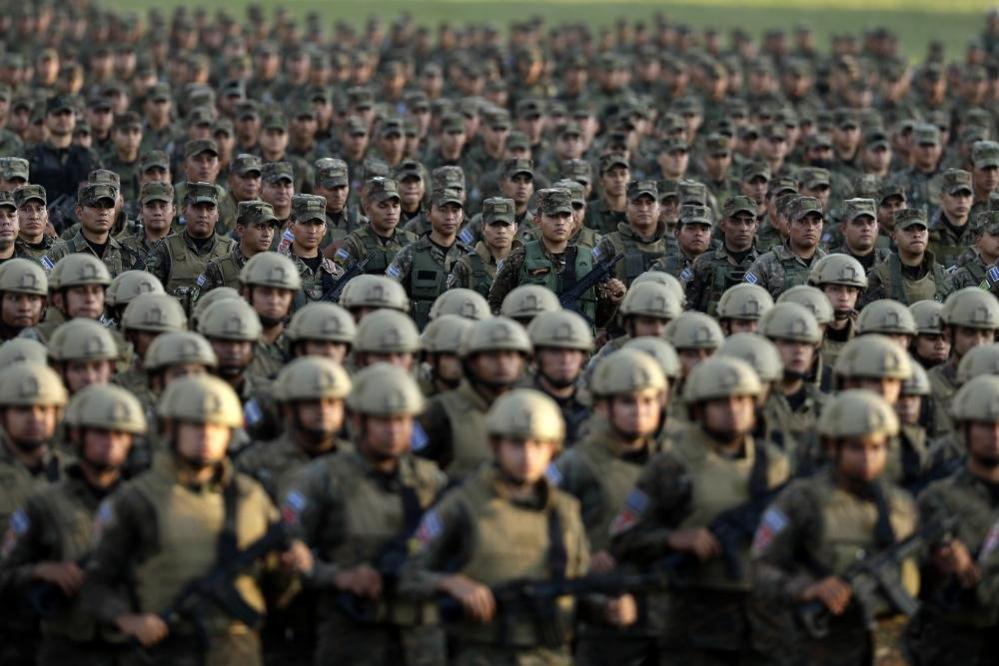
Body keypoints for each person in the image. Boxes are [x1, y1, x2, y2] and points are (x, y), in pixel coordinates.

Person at [81, 374, 308, 666]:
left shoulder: (251, 497)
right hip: (166, 649)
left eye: (216, 427)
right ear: (171, 428)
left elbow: (276, 594)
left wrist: (289, 570)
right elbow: (96, 584)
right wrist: (128, 620)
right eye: (194, 425)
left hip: (238, 653)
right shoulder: (136, 499)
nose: (206, 435)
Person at [401, 388, 635, 665]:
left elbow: (573, 589)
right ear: (495, 445)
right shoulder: (461, 505)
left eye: (538, 445)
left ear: (552, 449)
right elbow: (406, 572)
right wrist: (450, 583)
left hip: (550, 655)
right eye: (516, 444)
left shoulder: (564, 511)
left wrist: (607, 609)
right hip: (482, 654)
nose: (527, 456)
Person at [611, 356, 789, 664]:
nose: (734, 410)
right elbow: (624, 538)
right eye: (721, 402)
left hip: (763, 620)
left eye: (742, 401)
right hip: (692, 619)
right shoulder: (671, 465)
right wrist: (672, 540)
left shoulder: (775, 464)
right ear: (699, 409)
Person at [284, 363, 448, 666]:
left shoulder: (431, 480)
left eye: (402, 420)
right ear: (359, 421)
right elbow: (289, 550)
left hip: (421, 638)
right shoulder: (323, 478)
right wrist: (338, 577)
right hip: (351, 634)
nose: (394, 430)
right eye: (383, 421)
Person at [751, 390, 918, 666]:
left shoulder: (902, 505)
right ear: (832, 447)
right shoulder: (801, 500)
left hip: (888, 650)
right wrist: (808, 589)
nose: (867, 458)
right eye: (856, 447)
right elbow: (758, 569)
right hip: (819, 648)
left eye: (876, 447)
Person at [0, 384, 145, 665]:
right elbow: (5, 573)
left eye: (120, 434)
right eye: (100, 433)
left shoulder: (147, 503)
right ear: (77, 435)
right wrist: (40, 571)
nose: (111, 442)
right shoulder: (44, 503)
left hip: (134, 647)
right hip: (66, 649)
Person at [553, 349, 668, 665]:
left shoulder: (670, 461)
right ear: (604, 406)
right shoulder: (575, 464)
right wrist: (583, 557)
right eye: (628, 402)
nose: (639, 412)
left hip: (666, 609)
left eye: (648, 401)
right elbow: (537, 528)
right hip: (604, 610)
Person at [903, 374, 999, 664]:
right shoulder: (936, 498)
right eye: (985, 425)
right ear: (964, 430)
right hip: (953, 643)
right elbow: (912, 575)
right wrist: (940, 567)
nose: (995, 434)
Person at [417, 317, 532, 481]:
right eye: (492, 355)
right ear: (471, 362)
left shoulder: (534, 408)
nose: (502, 363)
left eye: (510, 355)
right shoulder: (438, 411)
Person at [488, 188, 626, 324]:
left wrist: (613, 301)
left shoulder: (589, 259)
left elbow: (600, 319)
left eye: (565, 216)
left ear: (573, 220)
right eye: (552, 216)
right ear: (537, 220)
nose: (560, 222)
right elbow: (495, 304)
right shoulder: (519, 258)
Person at [145, 181, 237, 313]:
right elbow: (150, 296)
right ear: (184, 211)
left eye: (210, 209)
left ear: (217, 215)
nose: (203, 214)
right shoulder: (166, 248)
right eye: (197, 207)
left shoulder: (231, 250)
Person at [387, 187, 471, 329]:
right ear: (428, 215)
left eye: (455, 211)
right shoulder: (409, 254)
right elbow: (389, 292)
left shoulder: (470, 257)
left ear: (462, 216)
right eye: (443, 210)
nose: (450, 217)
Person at [927, 287, 999, 438]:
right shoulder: (928, 387)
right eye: (968, 333)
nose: (978, 343)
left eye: (986, 334)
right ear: (948, 334)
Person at [526, 309, 594, 448]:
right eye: (555, 351)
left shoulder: (596, 406)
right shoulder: (518, 402)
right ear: (536, 356)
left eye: (573, 351)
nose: (565, 360)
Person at [685, 195, 761, 315]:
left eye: (749, 221)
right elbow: (687, 308)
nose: (743, 228)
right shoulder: (702, 263)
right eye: (736, 221)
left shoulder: (765, 264)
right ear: (723, 224)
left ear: (756, 226)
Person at [862, 208, 950, 307]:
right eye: (908, 230)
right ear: (894, 236)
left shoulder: (942, 276)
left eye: (921, 229)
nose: (917, 235)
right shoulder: (879, 278)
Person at [744, 195, 827, 299]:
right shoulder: (765, 264)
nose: (810, 227)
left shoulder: (828, 264)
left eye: (816, 222)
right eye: (802, 221)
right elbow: (747, 300)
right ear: (788, 226)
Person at [807, 253, 867, 372]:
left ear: (858, 295)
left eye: (851, 291)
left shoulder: (865, 338)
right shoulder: (804, 335)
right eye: (835, 289)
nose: (844, 297)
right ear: (819, 291)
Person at [0, 258, 47, 341]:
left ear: (42, 305)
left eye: (33, 299)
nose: (25, 307)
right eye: (14, 298)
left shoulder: (55, 344)